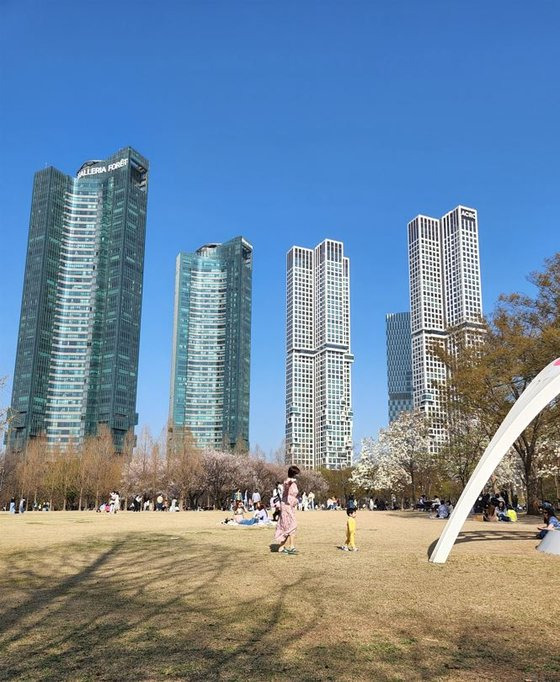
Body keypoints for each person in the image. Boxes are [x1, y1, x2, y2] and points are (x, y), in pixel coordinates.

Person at [275, 465, 300, 554]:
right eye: (297, 474)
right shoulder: (287, 482)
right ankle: (291, 546)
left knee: (289, 525)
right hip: (286, 506)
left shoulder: (293, 483)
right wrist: (289, 482)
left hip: (290, 506)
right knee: (291, 525)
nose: (298, 476)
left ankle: (283, 547)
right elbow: (285, 486)